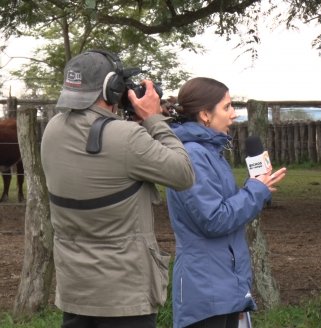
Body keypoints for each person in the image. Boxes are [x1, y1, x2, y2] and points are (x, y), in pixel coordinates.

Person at [40, 50, 195, 328]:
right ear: (111, 88)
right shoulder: (128, 138)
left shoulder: (52, 130)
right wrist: (153, 119)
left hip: (76, 288)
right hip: (124, 295)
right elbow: (183, 173)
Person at [165, 77, 287, 328]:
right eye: (227, 107)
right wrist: (255, 189)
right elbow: (214, 219)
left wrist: (257, 187)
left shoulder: (208, 152)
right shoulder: (193, 155)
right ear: (205, 115)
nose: (234, 115)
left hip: (222, 287)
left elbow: (221, 208)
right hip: (206, 292)